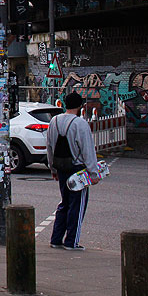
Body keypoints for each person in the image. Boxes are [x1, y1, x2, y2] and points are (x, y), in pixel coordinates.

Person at [46, 91, 100, 251]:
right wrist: (93, 172)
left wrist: (53, 168)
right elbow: (87, 150)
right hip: (78, 170)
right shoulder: (80, 124)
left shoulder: (54, 122)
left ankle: (56, 239)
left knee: (65, 202)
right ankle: (71, 241)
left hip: (61, 168)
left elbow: (49, 147)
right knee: (77, 205)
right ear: (80, 106)